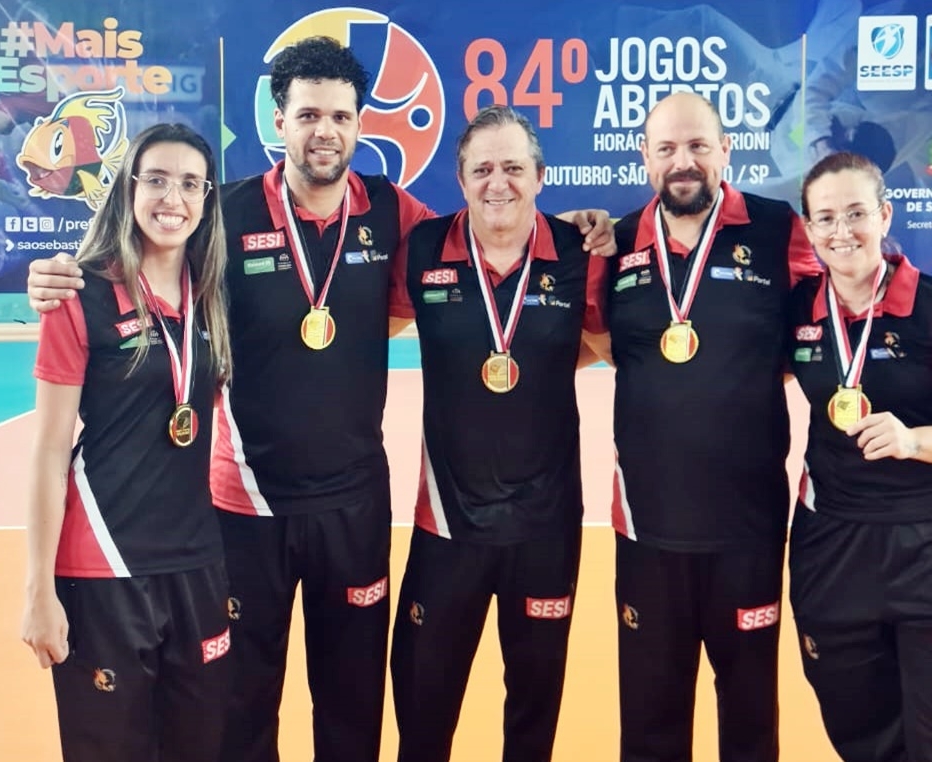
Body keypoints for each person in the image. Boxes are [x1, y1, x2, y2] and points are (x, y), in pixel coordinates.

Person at [26, 37, 613, 762]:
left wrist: (580, 225)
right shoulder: (224, 214)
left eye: (339, 116)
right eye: (307, 115)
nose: (324, 131)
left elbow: (489, 236)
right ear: (280, 122)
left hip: (354, 507)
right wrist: (63, 274)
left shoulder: (394, 216)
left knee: (352, 706)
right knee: (243, 707)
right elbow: (146, 252)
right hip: (246, 506)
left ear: (362, 125)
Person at [583, 91, 822, 762]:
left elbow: (818, 330)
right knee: (651, 719)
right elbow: (594, 337)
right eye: (666, 149)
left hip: (747, 525)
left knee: (749, 717)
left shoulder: (777, 228)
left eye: (697, 146)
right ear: (644, 159)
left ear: (726, 151)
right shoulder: (618, 240)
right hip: (646, 525)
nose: (682, 161)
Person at [390, 105, 606, 762]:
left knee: (532, 719)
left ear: (541, 177)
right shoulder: (422, 247)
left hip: (544, 528)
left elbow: (610, 342)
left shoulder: (579, 253)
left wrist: (541, 356)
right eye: (482, 169)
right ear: (459, 179)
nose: (498, 183)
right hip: (447, 525)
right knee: (422, 714)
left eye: (514, 168)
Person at [20, 122, 233, 762]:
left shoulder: (215, 292)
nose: (174, 198)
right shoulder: (80, 296)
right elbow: (50, 449)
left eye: (190, 183)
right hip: (103, 565)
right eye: (158, 180)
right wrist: (38, 590)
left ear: (207, 198)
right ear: (128, 189)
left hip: (197, 561)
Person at [787, 151, 932, 762]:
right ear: (808, 230)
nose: (842, 231)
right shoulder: (797, 312)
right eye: (825, 217)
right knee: (864, 738)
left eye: (857, 213)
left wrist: (916, 440)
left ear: (885, 216)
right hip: (834, 549)